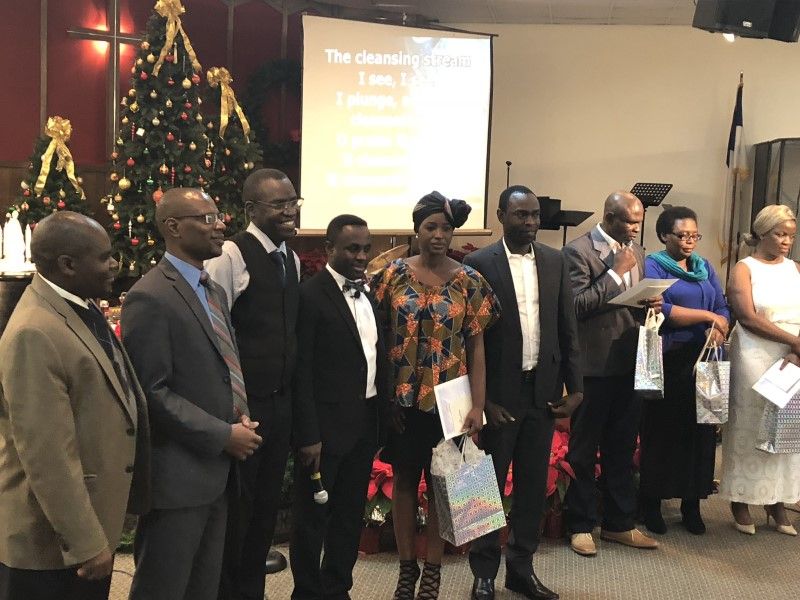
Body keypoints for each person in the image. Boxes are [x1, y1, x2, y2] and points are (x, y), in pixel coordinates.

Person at [0, 211, 149, 600]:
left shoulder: (78, 304)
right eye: (104, 257)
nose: (114, 265)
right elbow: (46, 453)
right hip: (50, 544)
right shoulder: (34, 331)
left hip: (87, 522)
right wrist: (85, 541)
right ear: (68, 265)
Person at [123, 188, 262, 600]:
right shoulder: (150, 295)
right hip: (178, 477)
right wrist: (223, 435)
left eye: (218, 216)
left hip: (217, 471)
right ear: (173, 227)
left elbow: (220, 366)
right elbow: (152, 392)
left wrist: (238, 415)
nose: (220, 225)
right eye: (207, 218)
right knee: (163, 588)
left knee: (203, 588)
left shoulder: (211, 288)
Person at [372, 191, 499, 600]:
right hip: (403, 401)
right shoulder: (391, 276)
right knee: (405, 481)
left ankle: (433, 572)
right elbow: (376, 339)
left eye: (446, 228)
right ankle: (406, 569)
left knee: (447, 487)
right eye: (431, 227)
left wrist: (477, 405)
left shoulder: (469, 280)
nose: (439, 235)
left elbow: (477, 348)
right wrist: (383, 400)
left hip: (451, 403)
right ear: (417, 230)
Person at [464, 186, 583, 600]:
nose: (531, 222)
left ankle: (520, 569)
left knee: (533, 488)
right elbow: (469, 340)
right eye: (521, 215)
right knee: (485, 486)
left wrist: (576, 387)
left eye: (534, 215)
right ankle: (483, 573)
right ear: (501, 215)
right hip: (498, 397)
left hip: (543, 394)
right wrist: (482, 401)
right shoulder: (478, 263)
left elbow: (567, 327)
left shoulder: (555, 260)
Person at [205, 168, 301, 600]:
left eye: (293, 202)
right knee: (237, 519)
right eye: (278, 204)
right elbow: (214, 335)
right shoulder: (230, 256)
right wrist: (230, 411)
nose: (289, 211)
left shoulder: (290, 259)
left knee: (263, 516)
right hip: (244, 410)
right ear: (250, 209)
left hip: (279, 408)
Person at [290, 214, 389, 600]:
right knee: (311, 518)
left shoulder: (368, 293)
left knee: (348, 516)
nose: (361, 256)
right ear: (330, 248)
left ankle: (337, 588)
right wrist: (308, 435)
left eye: (366, 248)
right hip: (323, 429)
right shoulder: (310, 296)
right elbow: (301, 371)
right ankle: (306, 592)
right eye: (352, 249)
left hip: (363, 424)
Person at [562, 191, 662, 557]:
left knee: (622, 446)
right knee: (583, 449)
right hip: (593, 366)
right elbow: (576, 306)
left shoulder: (637, 251)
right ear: (609, 217)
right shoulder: (578, 252)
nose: (635, 228)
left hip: (629, 360)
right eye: (630, 222)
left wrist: (651, 302)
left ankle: (619, 523)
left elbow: (629, 301)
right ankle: (580, 524)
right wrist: (615, 273)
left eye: (638, 222)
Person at [639, 206, 729, 535]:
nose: (689, 241)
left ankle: (692, 504)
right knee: (663, 433)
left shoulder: (704, 267)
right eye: (682, 235)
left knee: (702, 434)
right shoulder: (653, 265)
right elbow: (660, 308)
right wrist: (708, 318)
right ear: (665, 235)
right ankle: (651, 503)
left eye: (694, 235)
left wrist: (720, 327)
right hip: (671, 358)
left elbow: (722, 306)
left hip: (707, 359)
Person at [719, 204, 800, 536]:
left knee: (786, 426)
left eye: (791, 236)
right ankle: (741, 499)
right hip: (756, 353)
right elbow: (748, 317)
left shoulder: (795, 268)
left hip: (792, 356)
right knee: (751, 425)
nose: (786, 242)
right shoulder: (745, 268)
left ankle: (776, 500)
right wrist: (794, 341)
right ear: (762, 233)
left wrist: (796, 350)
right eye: (780, 234)